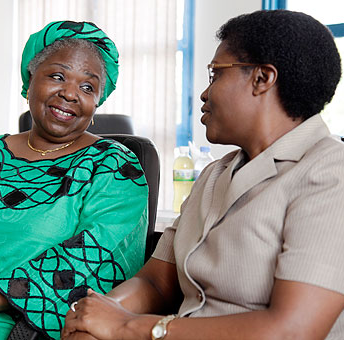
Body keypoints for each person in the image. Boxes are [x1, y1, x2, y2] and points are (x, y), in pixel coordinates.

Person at [62, 10, 344, 340]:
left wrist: (127, 326)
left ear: (262, 79)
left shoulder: (330, 173)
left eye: (215, 75)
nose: (204, 94)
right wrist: (94, 316)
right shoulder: (215, 173)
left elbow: (293, 330)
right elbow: (155, 281)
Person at [0, 20, 148, 340]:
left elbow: (94, 258)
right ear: (30, 81)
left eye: (88, 87)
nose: (70, 93)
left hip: (15, 324)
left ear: (98, 100)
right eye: (57, 76)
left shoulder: (113, 165)